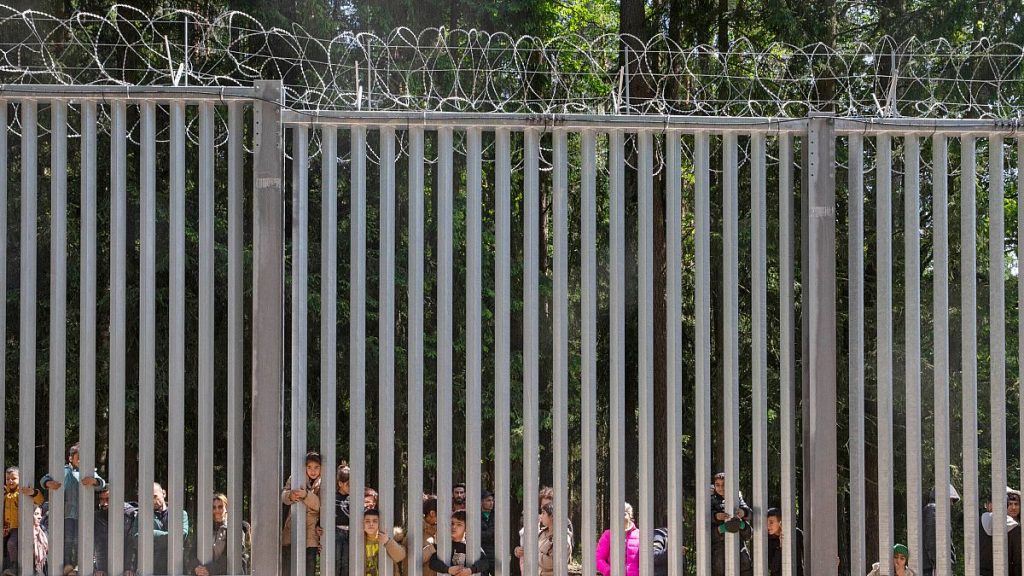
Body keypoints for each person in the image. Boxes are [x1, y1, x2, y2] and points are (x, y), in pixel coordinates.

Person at [40, 443, 106, 573]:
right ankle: (67, 563)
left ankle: (77, 564)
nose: (82, 460)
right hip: (67, 512)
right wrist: (48, 483)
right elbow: (44, 479)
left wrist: (94, 481)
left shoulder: (90, 472)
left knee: (79, 538)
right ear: (71, 458)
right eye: (79, 457)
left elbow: (101, 483)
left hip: (83, 513)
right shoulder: (64, 470)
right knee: (68, 538)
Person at [280, 451, 322, 576]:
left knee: (309, 568)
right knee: (288, 567)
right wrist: (290, 496)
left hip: (311, 534)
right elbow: (283, 496)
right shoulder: (295, 477)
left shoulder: (324, 482)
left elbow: (320, 505)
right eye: (309, 467)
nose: (312, 471)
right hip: (292, 528)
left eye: (316, 467)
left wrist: (305, 495)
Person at [190, 493, 250, 576]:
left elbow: (232, 556)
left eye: (220, 507)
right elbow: (193, 552)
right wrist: (196, 567)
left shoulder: (236, 528)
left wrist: (209, 569)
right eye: (214, 507)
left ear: (227, 508)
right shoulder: (204, 529)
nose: (217, 510)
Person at [709, 473, 752, 576]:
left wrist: (743, 513)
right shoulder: (710, 501)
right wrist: (716, 517)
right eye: (717, 485)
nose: (721, 488)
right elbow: (707, 533)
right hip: (719, 562)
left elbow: (748, 533)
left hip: (741, 562)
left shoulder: (737, 499)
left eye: (724, 484)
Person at [425, 510, 489, 576]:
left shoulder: (471, 546)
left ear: (466, 528)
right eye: (452, 523)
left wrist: (470, 570)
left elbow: (485, 563)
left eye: (459, 524)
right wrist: (448, 569)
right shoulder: (443, 545)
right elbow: (432, 563)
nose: (454, 527)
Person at [3, 467, 43, 570]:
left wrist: (33, 492)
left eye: (14, 478)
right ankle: (8, 566)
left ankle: (14, 566)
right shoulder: (5, 493)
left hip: (18, 526)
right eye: (7, 479)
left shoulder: (22, 492)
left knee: (12, 544)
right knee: (7, 547)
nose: (10, 481)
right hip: (8, 527)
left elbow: (40, 500)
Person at [94, 486, 138, 576]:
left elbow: (132, 543)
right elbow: (99, 543)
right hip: (108, 565)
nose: (104, 503)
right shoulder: (98, 516)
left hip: (130, 566)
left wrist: (129, 568)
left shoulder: (131, 515)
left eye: (108, 499)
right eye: (101, 499)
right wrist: (101, 569)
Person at [980, 487, 1023, 576]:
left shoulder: (978, 522)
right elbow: (1017, 560)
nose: (1013, 507)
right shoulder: (1015, 528)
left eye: (1016, 504)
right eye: (1010, 504)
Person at [922, 484, 960, 576]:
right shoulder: (933, 509)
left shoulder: (934, 510)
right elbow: (931, 541)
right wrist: (939, 565)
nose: (951, 504)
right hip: (932, 569)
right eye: (950, 499)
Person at [594, 502, 639, 576]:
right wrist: (609, 571)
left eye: (624, 514)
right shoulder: (608, 535)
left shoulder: (640, 535)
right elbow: (598, 559)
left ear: (630, 516)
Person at [361, 508, 406, 576]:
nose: (371, 524)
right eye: (367, 521)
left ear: (380, 523)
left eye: (375, 521)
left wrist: (387, 542)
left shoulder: (391, 538)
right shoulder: (357, 541)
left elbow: (400, 556)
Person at [4, 505, 47, 575]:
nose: (40, 517)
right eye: (36, 514)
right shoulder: (19, 534)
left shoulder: (43, 533)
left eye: (41, 514)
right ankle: (14, 567)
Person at [766, 508, 802, 576]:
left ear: (780, 522)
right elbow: (773, 568)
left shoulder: (796, 533)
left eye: (771, 522)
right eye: (766, 523)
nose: (768, 526)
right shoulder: (767, 540)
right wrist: (780, 547)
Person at [480, 490, 495, 576]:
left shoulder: (496, 515)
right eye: (488, 500)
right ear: (481, 502)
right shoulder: (476, 515)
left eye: (492, 500)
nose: (491, 503)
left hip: (494, 553)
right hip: (481, 552)